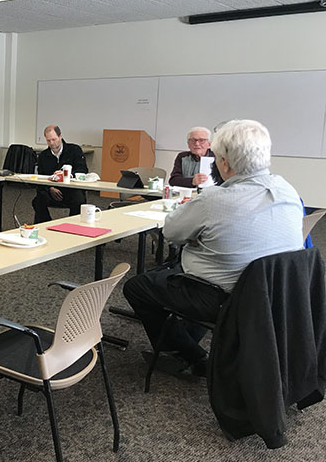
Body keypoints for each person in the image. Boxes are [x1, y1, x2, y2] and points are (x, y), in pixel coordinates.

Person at [123, 119, 303, 374]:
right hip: (276, 293)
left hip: (224, 296)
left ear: (224, 163)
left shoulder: (214, 200)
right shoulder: (287, 189)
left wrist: (199, 236)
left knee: (138, 286)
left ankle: (194, 356)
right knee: (178, 274)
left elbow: (171, 232)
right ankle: (183, 343)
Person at [31, 125, 88, 223]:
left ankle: (73, 226)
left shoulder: (74, 150)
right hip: (52, 190)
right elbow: (42, 177)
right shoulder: (43, 156)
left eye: (54, 139)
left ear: (60, 136)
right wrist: (50, 188)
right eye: (48, 140)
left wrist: (67, 174)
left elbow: (83, 170)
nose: (51, 143)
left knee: (78, 199)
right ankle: (45, 224)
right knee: (38, 200)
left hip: (71, 190)